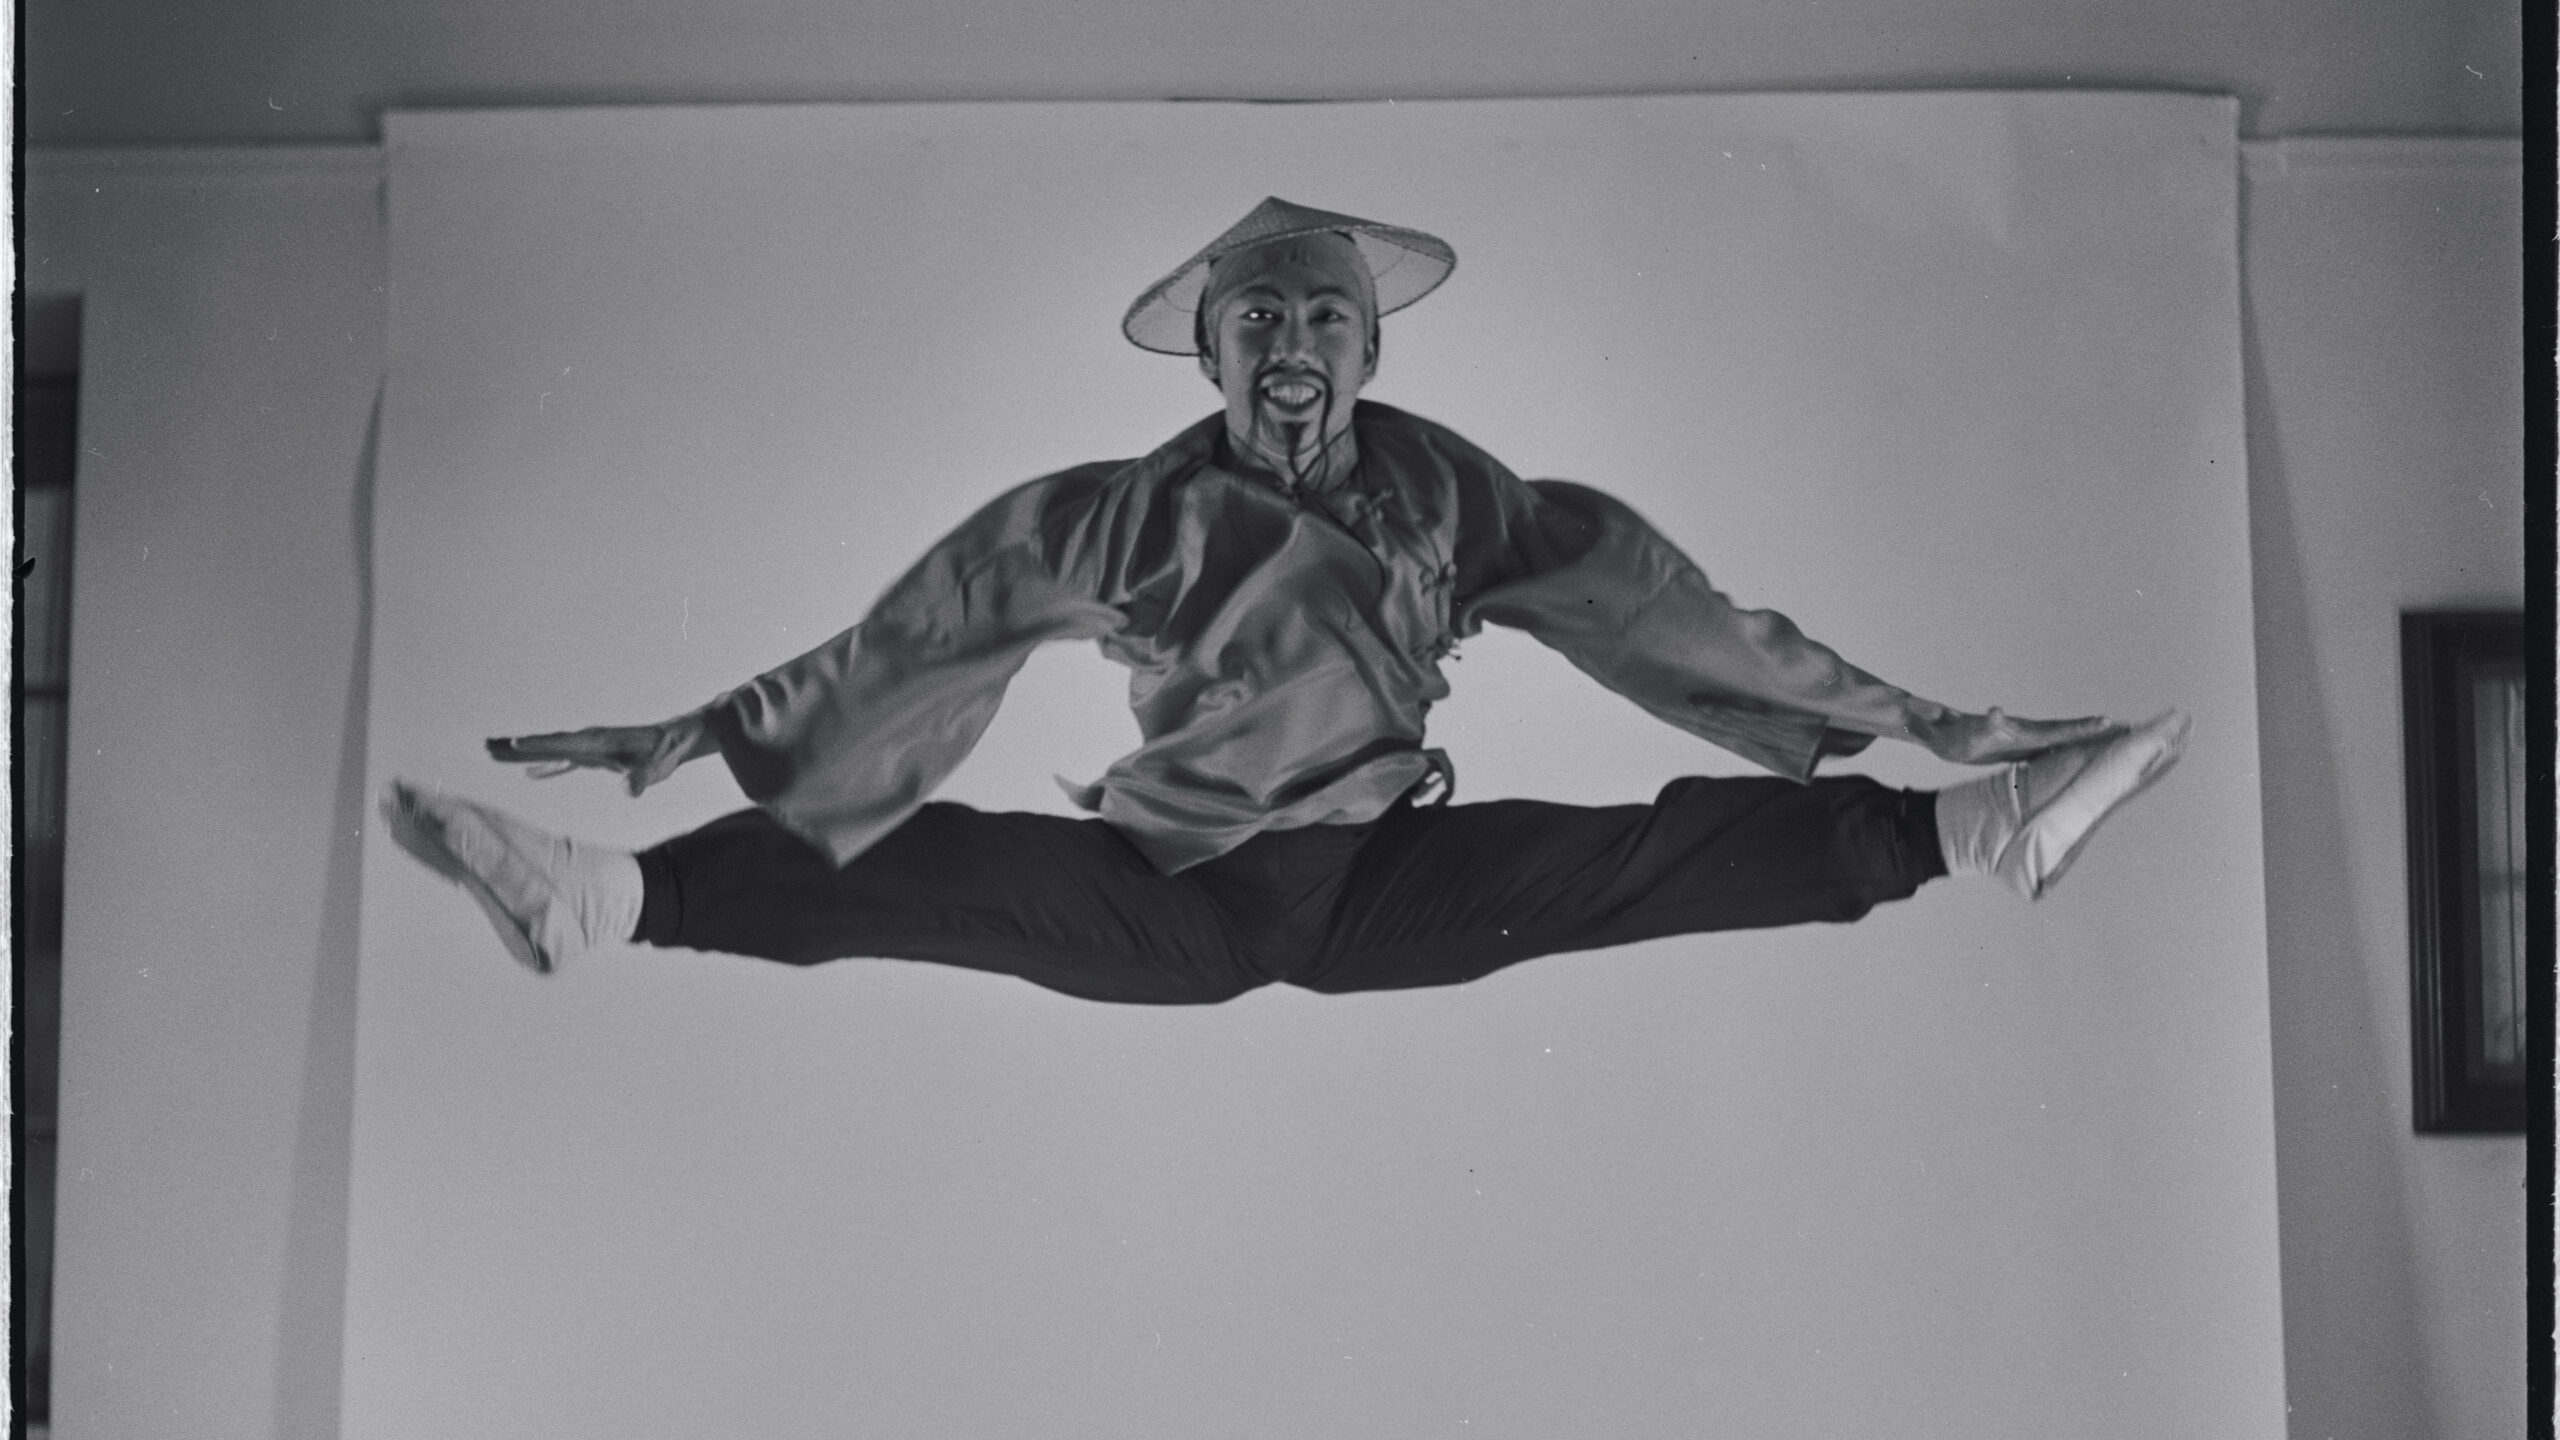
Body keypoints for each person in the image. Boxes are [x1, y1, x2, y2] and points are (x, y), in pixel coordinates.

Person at [385, 196, 2189, 1003]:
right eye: (1259, 317)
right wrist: (714, 724)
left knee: (1650, 859)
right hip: (1176, 896)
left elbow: (1650, 604)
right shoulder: (1123, 513)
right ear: (1218, 359)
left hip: (1384, 877)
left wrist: (1904, 711)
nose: (1292, 340)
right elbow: (926, 630)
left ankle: (1978, 833)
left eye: (1323, 311)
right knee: (930, 884)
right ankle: (601, 904)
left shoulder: (1446, 489)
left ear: (1370, 343)